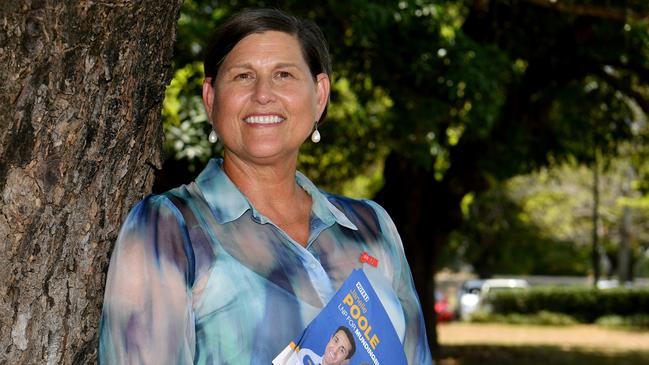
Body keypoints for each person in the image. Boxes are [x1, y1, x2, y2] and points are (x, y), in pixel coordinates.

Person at [98, 8, 432, 365]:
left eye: (284, 75)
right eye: (243, 76)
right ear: (211, 99)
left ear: (319, 96)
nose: (262, 94)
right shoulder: (168, 229)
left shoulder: (372, 228)